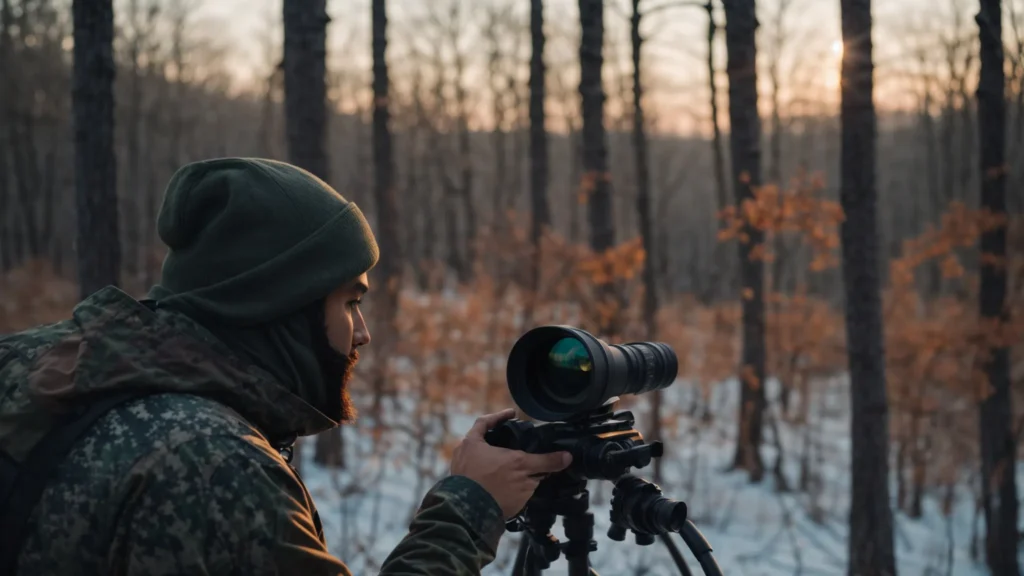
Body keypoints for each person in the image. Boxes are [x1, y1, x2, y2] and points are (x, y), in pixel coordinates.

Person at [0, 158, 572, 575]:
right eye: (350, 302)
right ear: (276, 304)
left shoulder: (31, 364)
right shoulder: (212, 464)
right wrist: (469, 506)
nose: (364, 332)